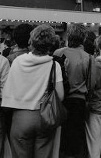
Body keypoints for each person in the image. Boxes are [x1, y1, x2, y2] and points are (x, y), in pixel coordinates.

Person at [3, 24, 64, 158]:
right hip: (44, 117)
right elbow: (60, 95)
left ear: (32, 40)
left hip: (20, 117)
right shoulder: (54, 65)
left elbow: (8, 90)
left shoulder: (18, 61)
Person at [53, 23, 92, 158]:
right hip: (79, 100)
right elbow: (90, 81)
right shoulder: (87, 57)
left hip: (60, 100)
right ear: (83, 38)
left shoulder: (58, 53)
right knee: (76, 138)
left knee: (61, 136)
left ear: (69, 36)